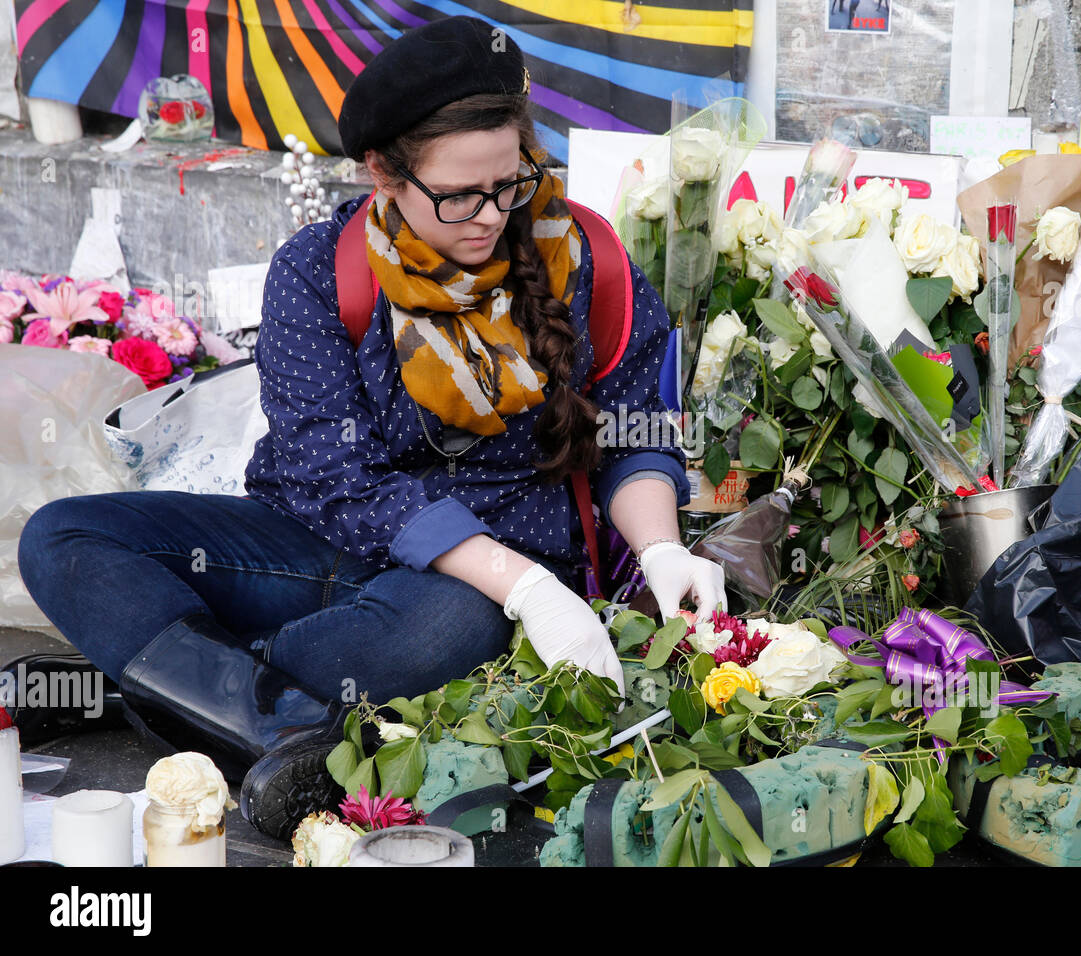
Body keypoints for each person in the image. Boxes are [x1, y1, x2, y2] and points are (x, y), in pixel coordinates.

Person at [12, 15, 725, 841]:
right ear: (382, 173)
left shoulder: (588, 260)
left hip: (466, 591)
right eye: (458, 195)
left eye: (512, 181)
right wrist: (523, 584)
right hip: (313, 552)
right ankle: (276, 727)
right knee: (63, 536)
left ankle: (176, 681)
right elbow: (331, 477)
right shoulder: (318, 273)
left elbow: (634, 433)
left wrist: (661, 549)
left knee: (456, 629)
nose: (491, 215)